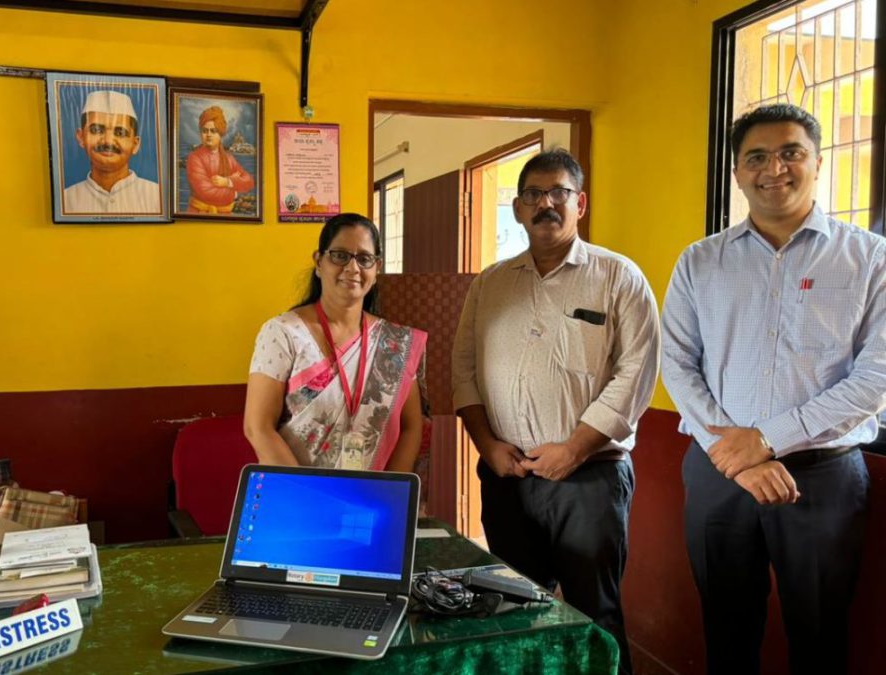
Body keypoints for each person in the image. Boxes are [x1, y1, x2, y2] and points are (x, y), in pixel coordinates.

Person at [661, 103, 886, 675]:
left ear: (817, 161)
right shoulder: (700, 261)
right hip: (717, 469)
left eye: (791, 153)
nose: (774, 169)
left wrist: (767, 439)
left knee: (819, 631)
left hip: (822, 476)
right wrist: (736, 455)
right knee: (726, 627)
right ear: (737, 172)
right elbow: (677, 363)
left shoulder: (870, 259)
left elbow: (876, 377)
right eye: (756, 157)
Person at [452, 149, 659, 675]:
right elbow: (462, 370)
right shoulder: (490, 283)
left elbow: (635, 375)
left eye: (558, 193)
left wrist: (574, 449)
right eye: (532, 195)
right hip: (508, 475)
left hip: (590, 479)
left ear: (580, 202)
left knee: (595, 616)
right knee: (517, 613)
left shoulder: (618, 278)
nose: (545, 204)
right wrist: (486, 445)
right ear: (518, 209)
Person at [244, 213, 427, 473]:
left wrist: (388, 495)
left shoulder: (395, 343)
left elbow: (411, 427)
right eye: (340, 255)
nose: (352, 269)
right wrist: (310, 495)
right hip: (298, 498)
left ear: (376, 270)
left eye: (364, 259)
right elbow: (257, 427)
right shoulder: (283, 333)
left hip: (370, 504)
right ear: (319, 262)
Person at [63, 90, 161, 214]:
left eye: (120, 133)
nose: (108, 141)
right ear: (81, 137)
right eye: (97, 130)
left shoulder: (158, 197)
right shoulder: (66, 200)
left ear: (135, 144)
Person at [185, 106, 255, 214]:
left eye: (213, 131)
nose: (208, 135)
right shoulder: (194, 158)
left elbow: (249, 181)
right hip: (198, 215)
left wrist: (227, 181)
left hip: (225, 217)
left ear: (220, 134)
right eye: (205, 131)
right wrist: (234, 192)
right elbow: (206, 192)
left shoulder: (228, 158)